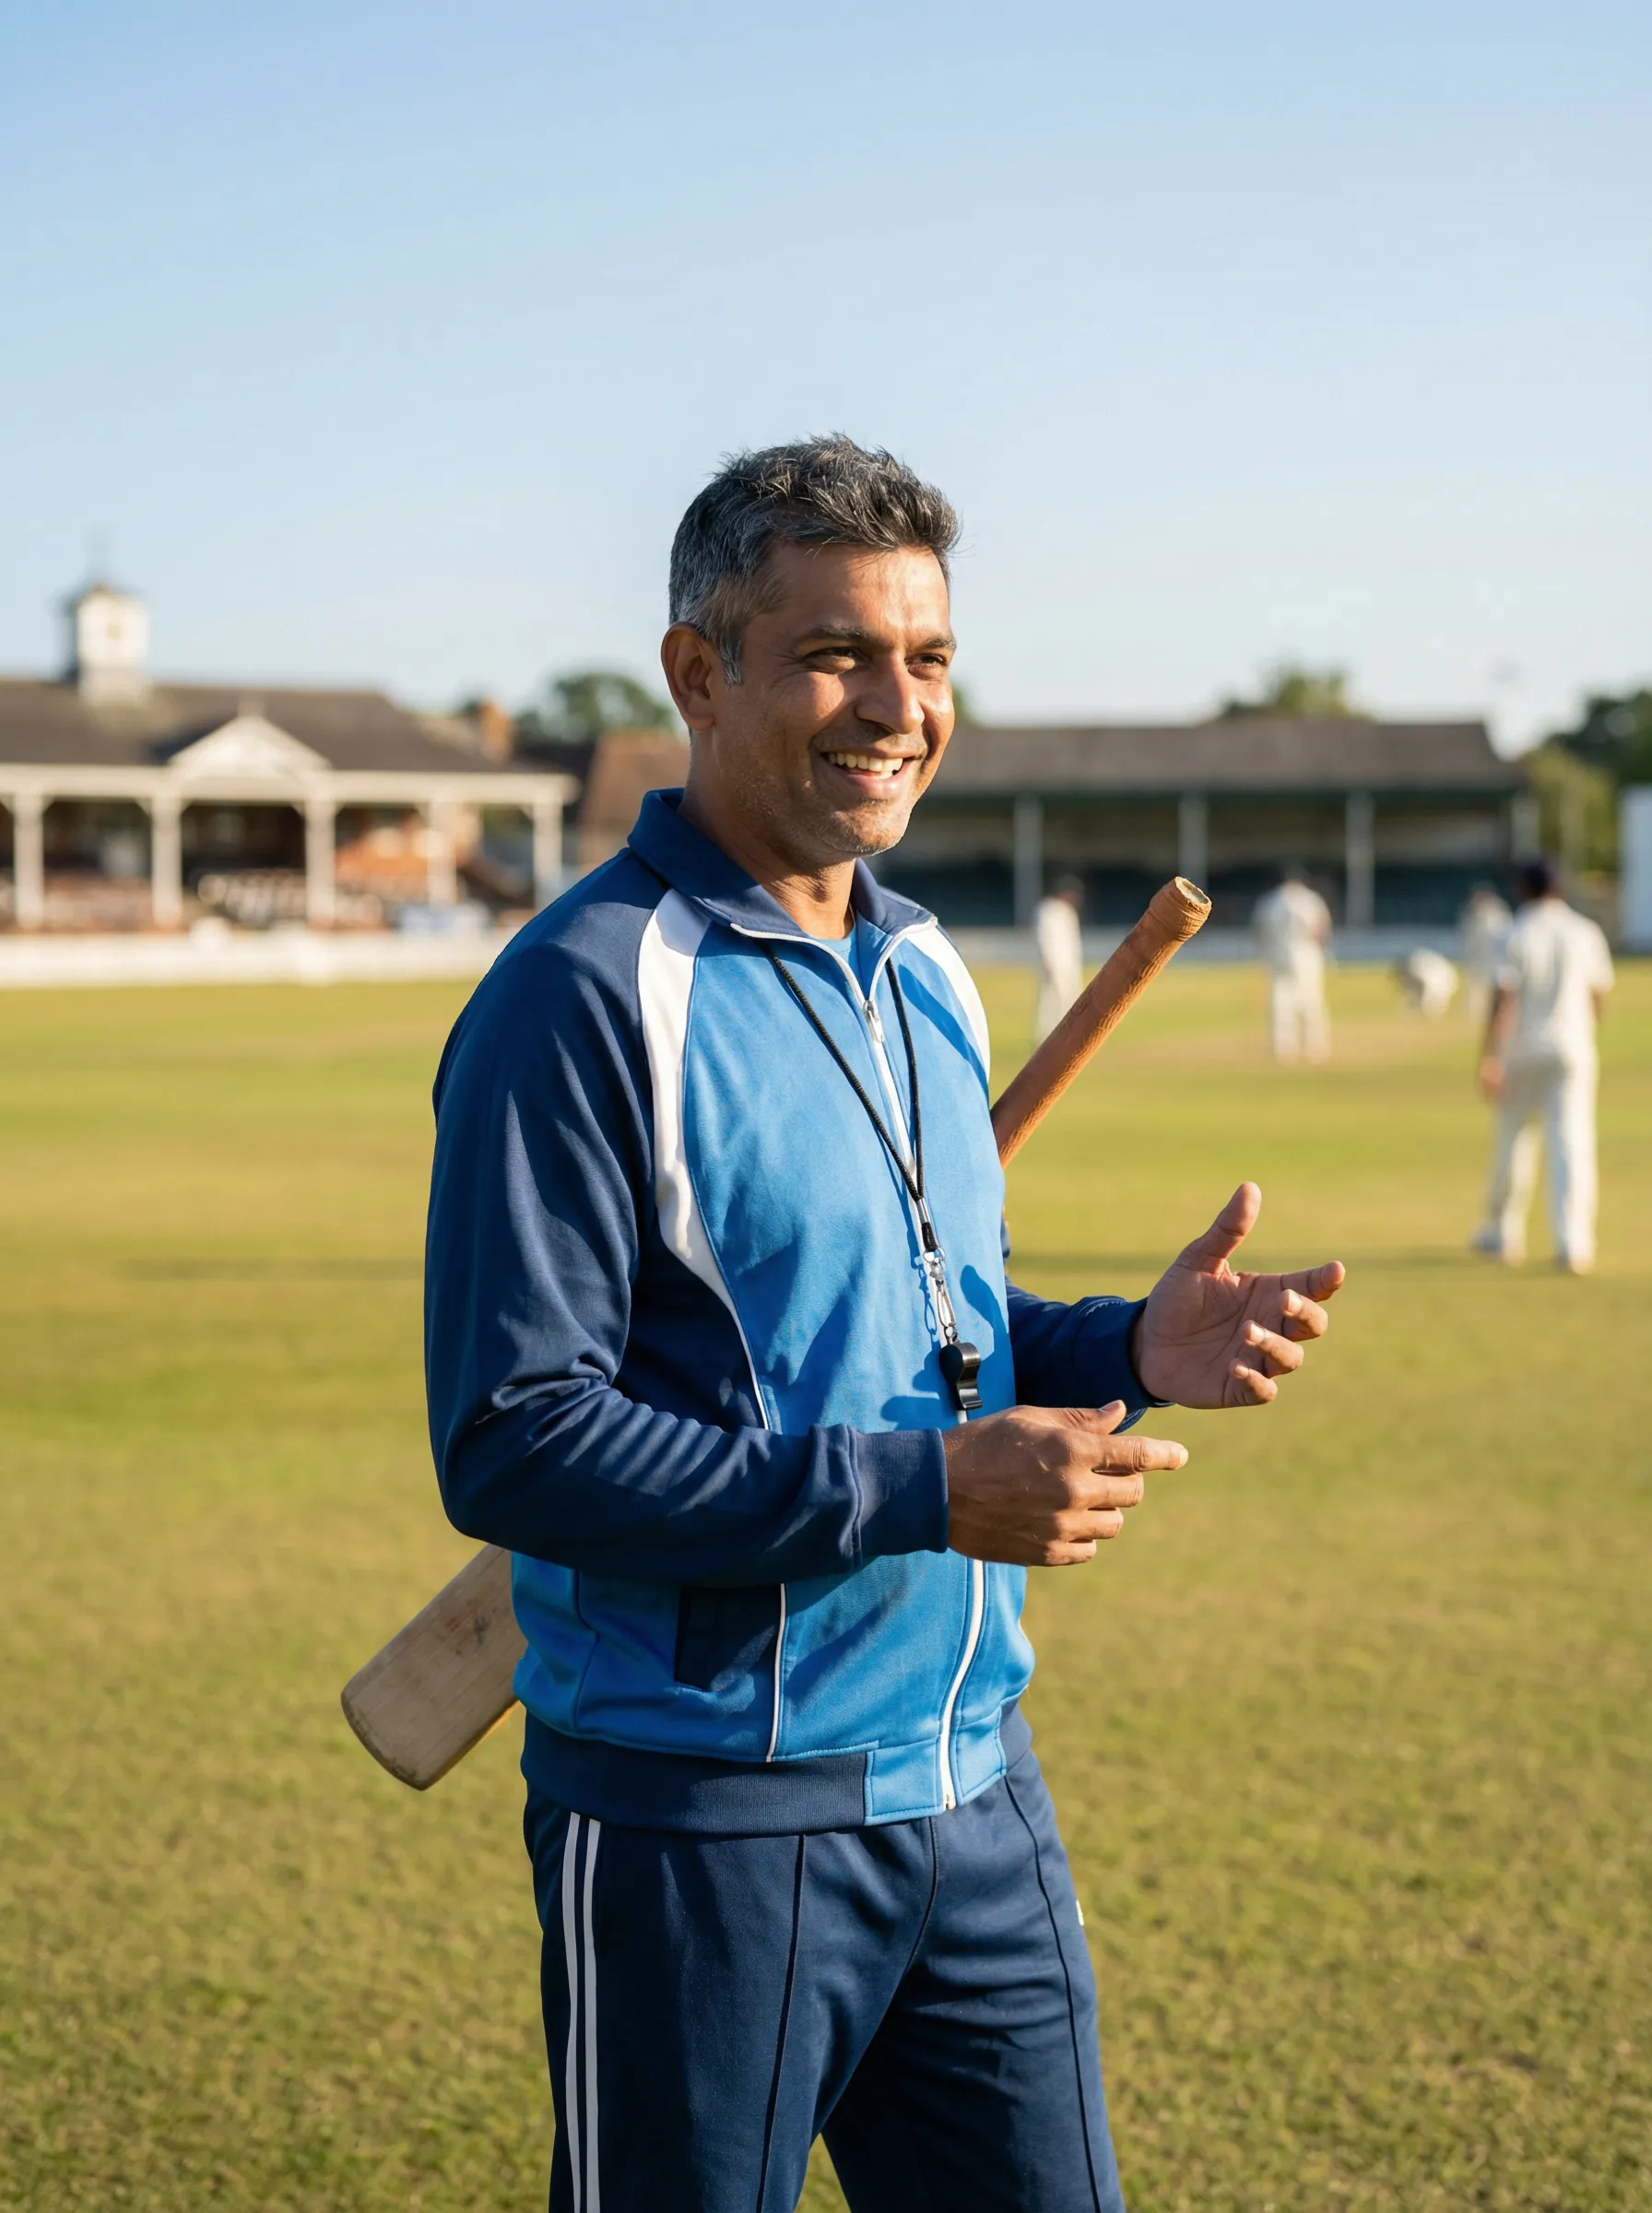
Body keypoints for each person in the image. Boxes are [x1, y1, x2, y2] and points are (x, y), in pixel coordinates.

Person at [425, 437, 1344, 2213]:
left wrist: (1111, 1350)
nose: (895, 706)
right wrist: (925, 1492)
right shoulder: (580, 997)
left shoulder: (919, 962)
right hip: (706, 1817)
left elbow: (910, 1317)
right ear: (699, 673)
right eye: (835, 653)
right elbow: (512, 1432)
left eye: (925, 659)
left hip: (971, 1790)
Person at [1471, 856, 1613, 1273]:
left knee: (1514, 1143)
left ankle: (1502, 1233)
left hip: (1522, 1050)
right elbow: (1599, 994)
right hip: (1572, 1048)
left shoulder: (1516, 931)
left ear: (1524, 889)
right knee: (1571, 1144)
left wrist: (1490, 1056)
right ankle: (1574, 1243)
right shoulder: (1584, 931)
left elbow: (1505, 998)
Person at [1250, 869, 1332, 1061]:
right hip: (1305, 953)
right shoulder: (1310, 900)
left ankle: (1283, 1048)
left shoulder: (1270, 901)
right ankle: (1315, 1047)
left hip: (1278, 954)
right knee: (1310, 999)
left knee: (1280, 1001)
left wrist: (1264, 951)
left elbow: (1258, 931)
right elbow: (1320, 927)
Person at [1032, 874, 1085, 1042]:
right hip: (1052, 963)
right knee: (1049, 1000)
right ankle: (1044, 1037)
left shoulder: (1067, 912)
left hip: (1067, 964)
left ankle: (1066, 1035)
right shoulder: (1047, 910)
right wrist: (1050, 962)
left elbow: (1072, 942)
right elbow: (1044, 937)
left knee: (1068, 999)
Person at [1459, 882, 1513, 1024]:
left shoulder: (1497, 913)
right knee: (1474, 987)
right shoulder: (1473, 914)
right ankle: (1471, 1013)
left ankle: (1488, 1013)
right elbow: (1468, 934)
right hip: (1477, 957)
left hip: (1493, 958)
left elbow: (1504, 934)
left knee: (1493, 988)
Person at [1394, 946, 1459, 1018]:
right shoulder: (1420, 965)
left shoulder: (1439, 985)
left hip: (1434, 978)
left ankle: (1424, 1012)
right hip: (1433, 972)